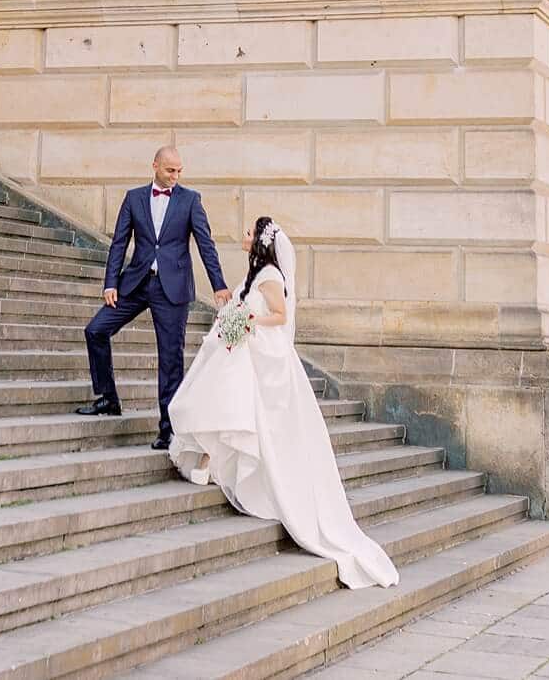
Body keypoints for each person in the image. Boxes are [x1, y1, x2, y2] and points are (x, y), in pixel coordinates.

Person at [168, 214, 399, 590]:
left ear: (261, 240)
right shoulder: (258, 272)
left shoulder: (271, 276)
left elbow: (279, 316)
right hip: (250, 346)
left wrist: (247, 321)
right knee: (225, 392)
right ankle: (213, 455)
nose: (243, 235)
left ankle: (219, 458)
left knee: (241, 401)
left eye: (248, 232)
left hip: (264, 351)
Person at [78, 146, 230, 450]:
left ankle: (168, 429)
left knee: (170, 359)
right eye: (169, 170)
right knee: (96, 329)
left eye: (179, 171)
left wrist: (219, 285)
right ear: (155, 166)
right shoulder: (134, 198)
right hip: (135, 283)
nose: (174, 176)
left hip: (172, 289)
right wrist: (111, 283)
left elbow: (206, 245)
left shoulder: (190, 200)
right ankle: (108, 397)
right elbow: (119, 242)